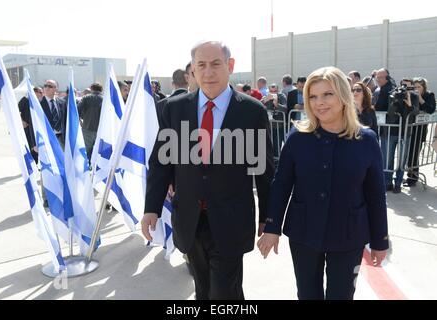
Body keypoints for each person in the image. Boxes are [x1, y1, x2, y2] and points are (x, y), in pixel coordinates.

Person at [141, 41, 274, 300]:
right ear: (192, 70)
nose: (208, 72)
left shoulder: (251, 111)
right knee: (203, 290)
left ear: (230, 66)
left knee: (224, 292)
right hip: (190, 219)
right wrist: (151, 207)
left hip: (231, 221)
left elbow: (264, 170)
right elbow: (161, 163)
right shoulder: (174, 108)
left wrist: (268, 219)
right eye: (201, 65)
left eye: (216, 64)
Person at [257, 66, 389, 300]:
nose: (320, 102)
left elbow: (376, 194)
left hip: (349, 235)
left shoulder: (366, 139)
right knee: (308, 295)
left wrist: (380, 240)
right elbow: (281, 185)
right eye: (313, 96)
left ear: (343, 96)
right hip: (304, 232)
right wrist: (272, 228)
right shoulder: (297, 137)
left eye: (328, 94)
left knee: (341, 295)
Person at [405, 77, 436, 186]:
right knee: (408, 153)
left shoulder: (429, 95)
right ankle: (411, 175)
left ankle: (412, 178)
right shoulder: (410, 95)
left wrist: (420, 99)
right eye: (415, 87)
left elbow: (430, 109)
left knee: (414, 153)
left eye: (419, 87)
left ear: (424, 87)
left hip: (420, 129)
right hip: (409, 127)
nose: (417, 89)